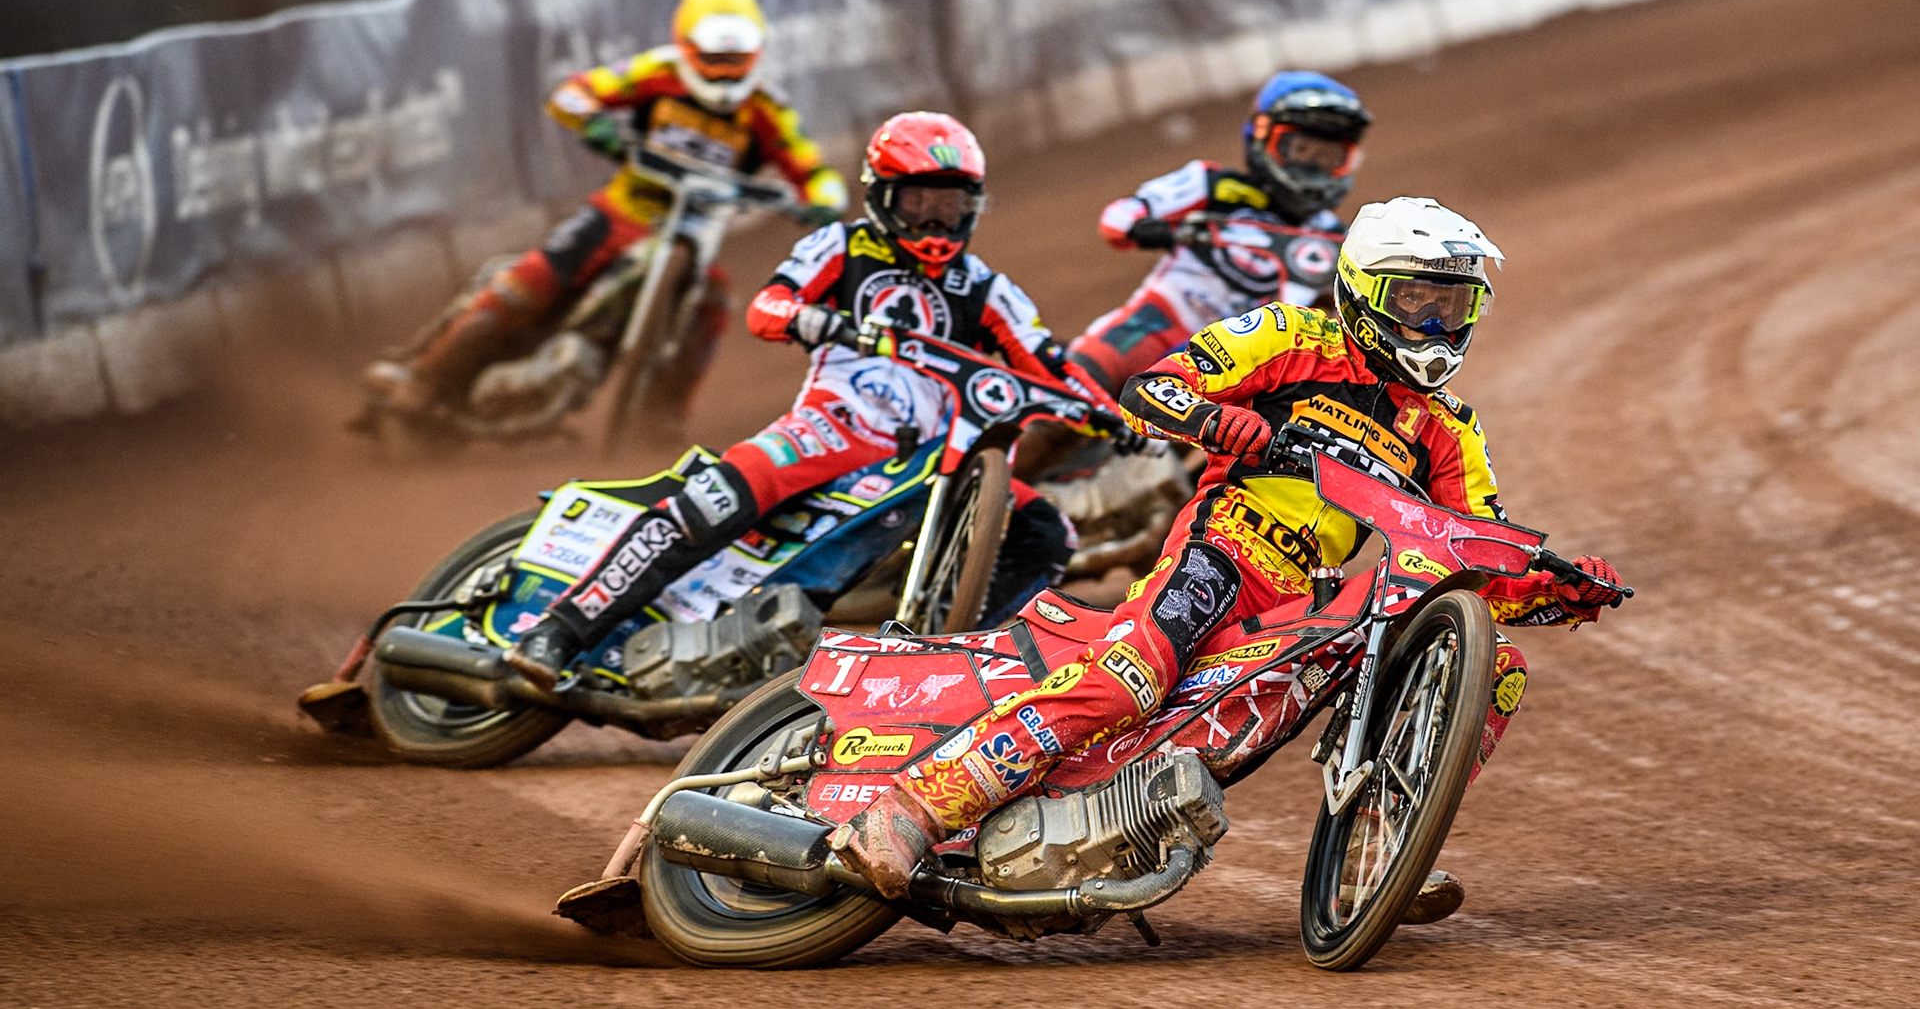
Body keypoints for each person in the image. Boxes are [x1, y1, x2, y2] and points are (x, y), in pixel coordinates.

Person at [834, 196, 1625, 922]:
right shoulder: (1290, 337)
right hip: (1223, 549)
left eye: (1454, 305)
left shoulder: (1450, 430)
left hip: (1309, 600)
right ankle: (913, 808)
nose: (1438, 325)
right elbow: (1154, 389)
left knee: (1496, 666)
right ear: (1365, 294)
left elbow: (1475, 552)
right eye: (1417, 302)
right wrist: (1224, 425)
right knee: (1131, 674)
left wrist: (1560, 584)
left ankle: (1375, 855)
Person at [503, 112, 1116, 687]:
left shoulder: (986, 288)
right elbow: (766, 307)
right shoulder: (841, 247)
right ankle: (558, 630)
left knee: (1046, 532)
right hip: (832, 428)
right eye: (918, 203)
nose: (935, 222)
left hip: (930, 463)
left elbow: (1050, 362)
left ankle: (955, 679)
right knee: (714, 499)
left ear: (973, 207)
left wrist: (1118, 418)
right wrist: (817, 321)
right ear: (881, 196)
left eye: (949, 206)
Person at [364, 0, 848, 417]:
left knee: (715, 303)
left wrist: (824, 202)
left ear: (756, 55)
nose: (723, 75)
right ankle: (425, 379)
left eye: (735, 62)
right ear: (686, 48)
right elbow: (574, 92)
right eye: (712, 60)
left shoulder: (767, 110)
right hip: (620, 214)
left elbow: (813, 168)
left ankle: (662, 416)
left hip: (694, 237)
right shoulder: (657, 72)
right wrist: (593, 120)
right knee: (528, 282)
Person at [1069, 71, 1372, 396]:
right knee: (1072, 392)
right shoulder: (1211, 185)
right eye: (1303, 150)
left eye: (1329, 157)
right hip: (1156, 322)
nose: (1314, 167)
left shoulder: (1336, 238)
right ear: (1263, 136)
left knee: (1245, 432)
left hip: (1237, 358)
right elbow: (1117, 219)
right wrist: (1146, 227)